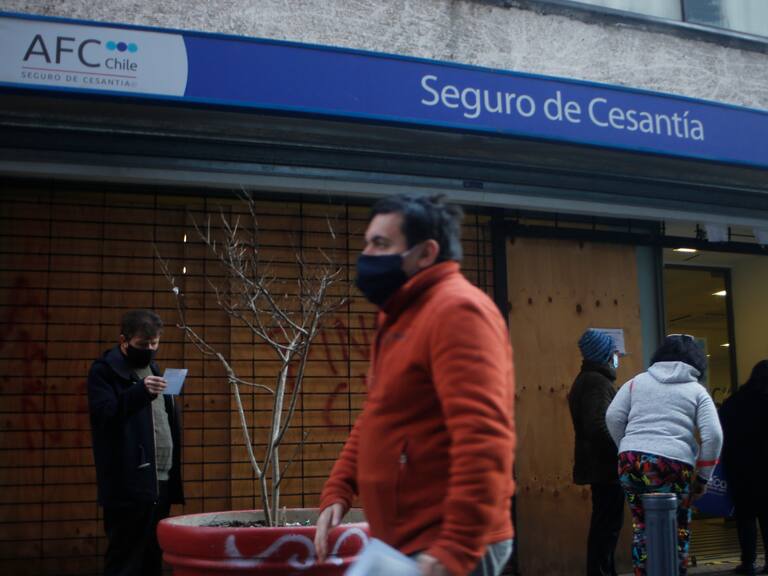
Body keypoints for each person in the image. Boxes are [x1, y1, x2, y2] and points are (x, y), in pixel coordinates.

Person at [314, 195, 516, 576]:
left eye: (381, 244)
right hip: (403, 543)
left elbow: (484, 438)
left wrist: (454, 547)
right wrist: (340, 487)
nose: (367, 254)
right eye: (367, 242)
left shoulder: (457, 311)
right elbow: (381, 415)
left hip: (444, 545)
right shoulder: (399, 315)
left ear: (425, 253)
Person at [606, 334, 723, 576]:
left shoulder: (635, 382)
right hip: (673, 464)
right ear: (697, 363)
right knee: (677, 527)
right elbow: (713, 435)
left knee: (642, 527)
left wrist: (628, 447)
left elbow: (613, 417)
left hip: (631, 463)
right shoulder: (697, 391)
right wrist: (702, 478)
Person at [87, 309, 184, 576]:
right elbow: (106, 415)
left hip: (160, 478)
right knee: (126, 556)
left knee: (152, 554)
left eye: (155, 344)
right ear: (124, 341)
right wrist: (139, 392)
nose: (150, 350)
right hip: (129, 481)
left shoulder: (151, 368)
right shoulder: (104, 372)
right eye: (143, 344)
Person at [568, 328, 624, 576]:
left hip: (598, 465)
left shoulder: (589, 379)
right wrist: (621, 450)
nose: (616, 355)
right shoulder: (597, 382)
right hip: (606, 467)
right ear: (604, 354)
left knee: (604, 523)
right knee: (607, 526)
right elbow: (597, 425)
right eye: (613, 351)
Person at [719, 360, 768, 576]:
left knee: (745, 516)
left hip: (740, 468)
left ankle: (748, 562)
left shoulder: (734, 402)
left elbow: (720, 433)